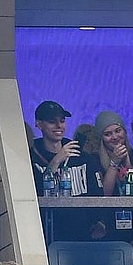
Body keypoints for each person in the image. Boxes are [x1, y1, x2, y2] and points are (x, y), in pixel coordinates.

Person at [30, 101, 107, 241]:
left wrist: (99, 222)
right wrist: (56, 161)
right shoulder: (31, 157)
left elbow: (98, 195)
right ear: (39, 124)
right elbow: (34, 194)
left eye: (62, 121)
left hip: (83, 233)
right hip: (46, 233)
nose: (59, 126)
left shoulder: (82, 157)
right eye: (52, 122)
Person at [95, 111, 133, 196]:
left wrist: (129, 166)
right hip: (110, 209)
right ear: (101, 138)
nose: (114, 137)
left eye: (118, 131)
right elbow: (104, 195)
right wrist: (114, 163)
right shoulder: (95, 160)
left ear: (125, 132)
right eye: (108, 134)